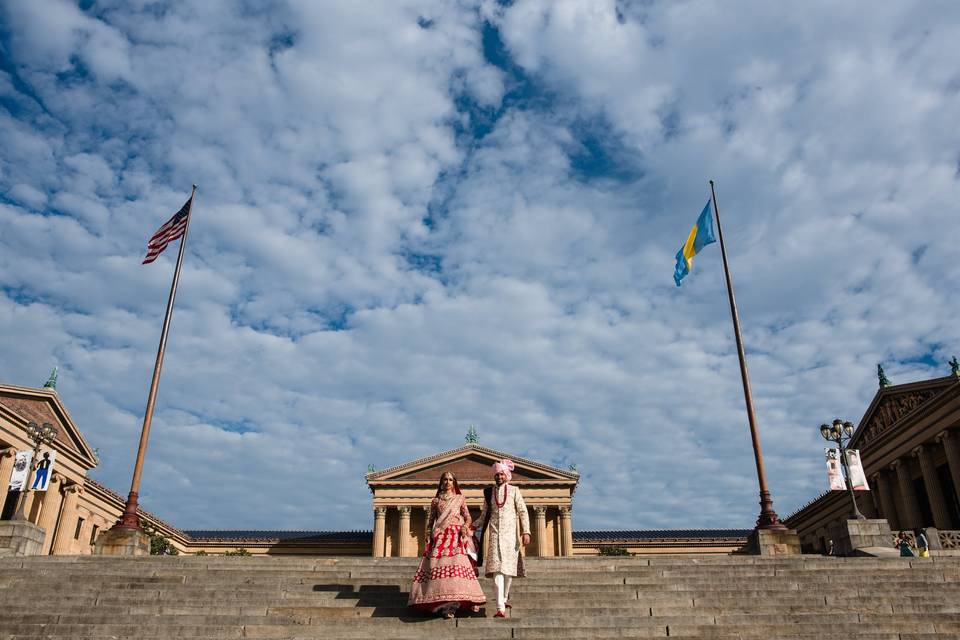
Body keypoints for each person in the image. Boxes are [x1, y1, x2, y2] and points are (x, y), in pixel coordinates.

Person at [408, 472, 486, 619]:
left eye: (451, 479)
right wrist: (428, 534)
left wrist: (465, 526)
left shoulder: (460, 499)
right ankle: (441, 603)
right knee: (438, 570)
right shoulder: (435, 501)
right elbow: (431, 522)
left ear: (454, 482)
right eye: (445, 479)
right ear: (441, 482)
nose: (448, 482)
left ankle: (452, 606)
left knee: (455, 570)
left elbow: (468, 517)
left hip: (455, 537)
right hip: (440, 538)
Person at [475, 459, 530, 619]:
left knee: (509, 572)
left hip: (510, 537)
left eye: (501, 474)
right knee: (497, 571)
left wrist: (526, 531)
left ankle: (505, 598)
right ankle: (500, 607)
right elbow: (484, 515)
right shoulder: (489, 493)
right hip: (494, 535)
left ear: (506, 475)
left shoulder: (514, 491)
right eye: (496, 474)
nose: (499, 477)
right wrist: (472, 525)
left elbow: (523, 511)